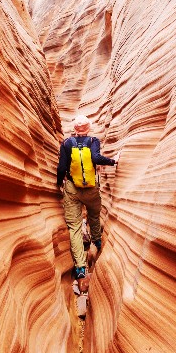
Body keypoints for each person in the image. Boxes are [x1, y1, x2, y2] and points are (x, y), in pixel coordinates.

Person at [56, 115, 118, 280]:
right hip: (91, 188)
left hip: (72, 188)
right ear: (88, 128)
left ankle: (81, 268)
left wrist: (58, 182)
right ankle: (97, 241)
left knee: (74, 228)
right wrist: (113, 161)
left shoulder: (67, 143)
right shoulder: (93, 141)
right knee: (94, 215)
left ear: (75, 130)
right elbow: (96, 158)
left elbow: (62, 167)